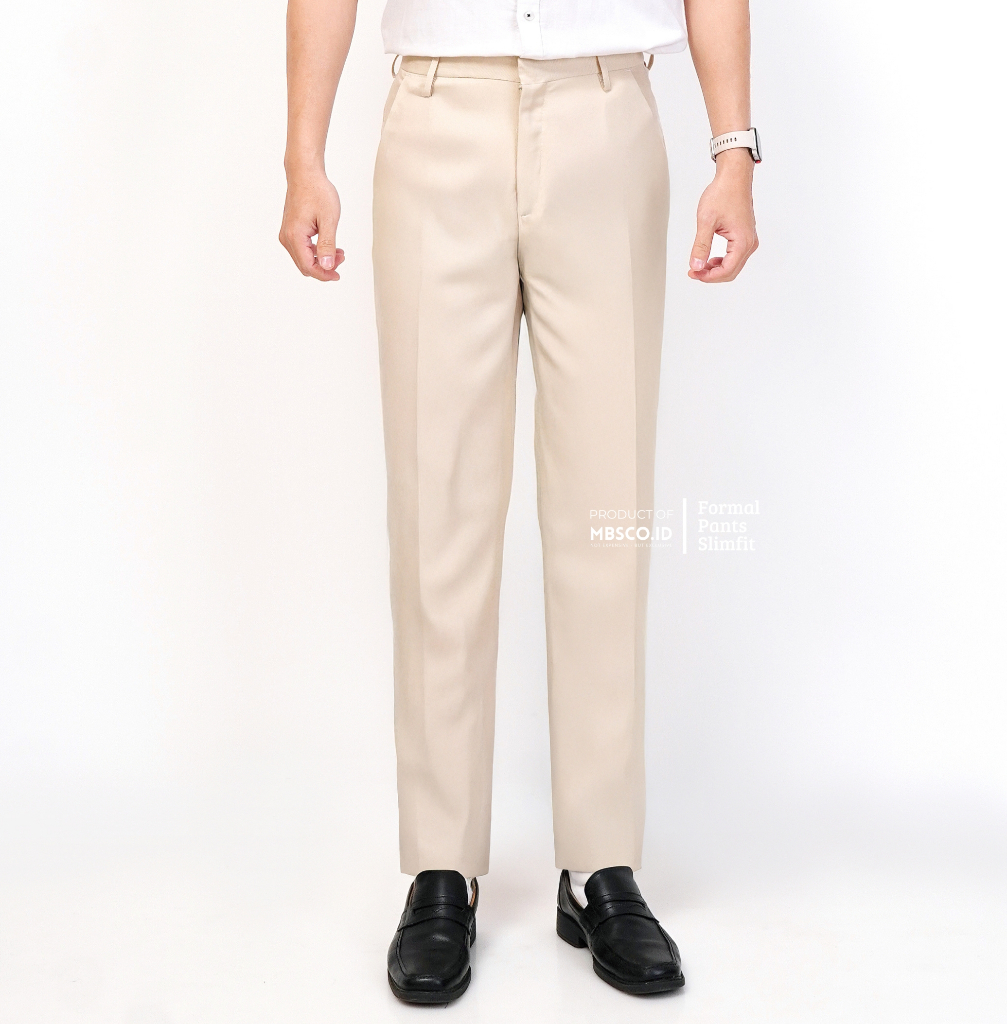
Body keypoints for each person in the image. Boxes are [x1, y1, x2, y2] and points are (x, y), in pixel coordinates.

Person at [280, 0, 759, 1003]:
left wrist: (733, 149)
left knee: (606, 510)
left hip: (604, 111)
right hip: (436, 111)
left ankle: (600, 862)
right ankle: (440, 865)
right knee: (437, 507)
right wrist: (303, 154)